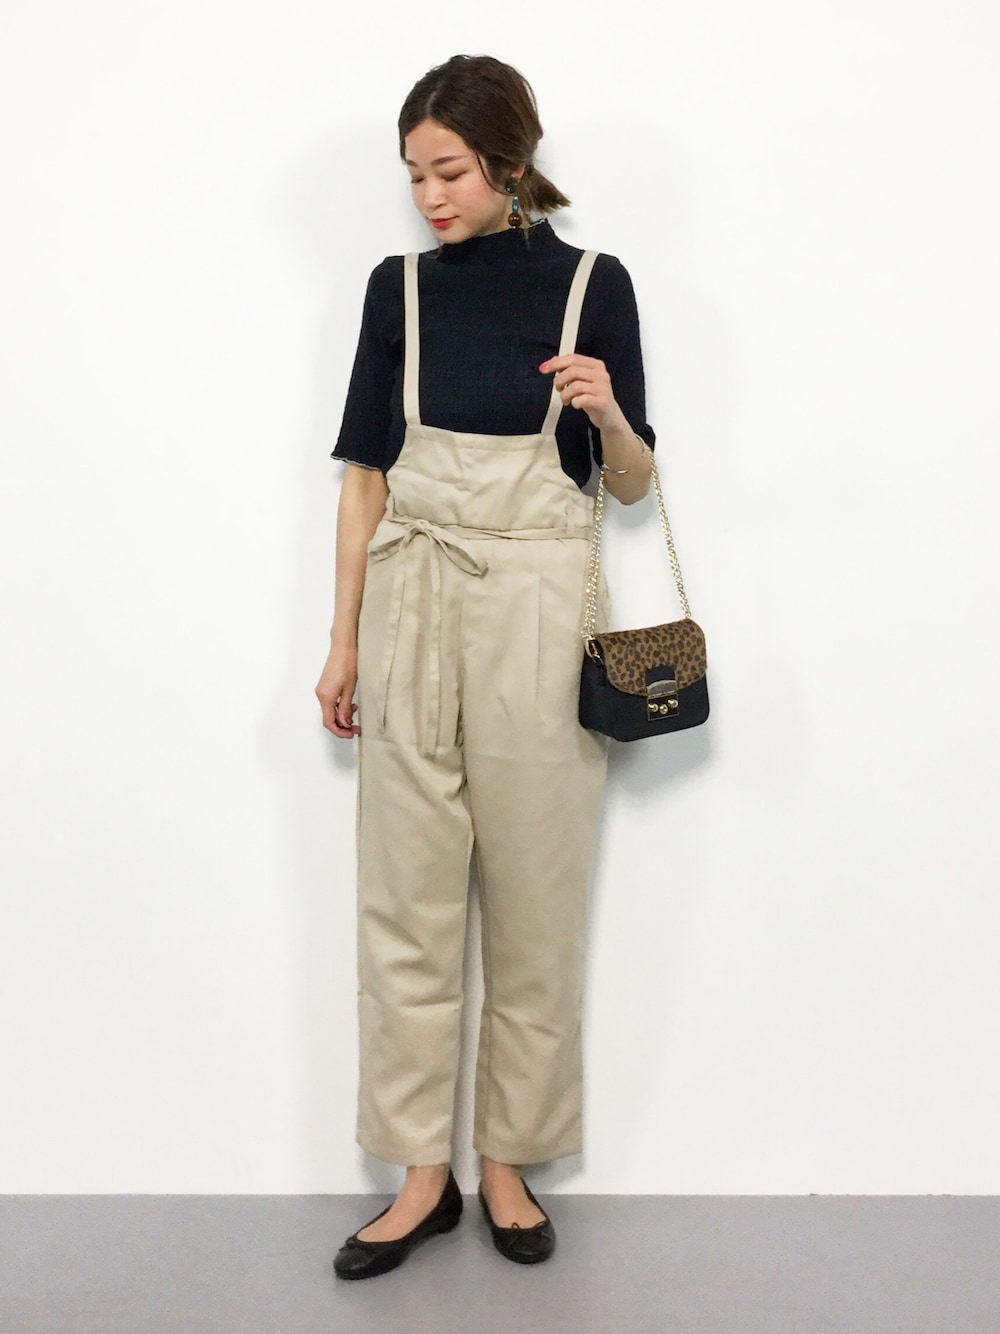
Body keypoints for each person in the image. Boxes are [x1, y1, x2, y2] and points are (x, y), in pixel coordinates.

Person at [315, 54, 655, 1280]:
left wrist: (606, 412)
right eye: (413, 174)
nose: (428, 198)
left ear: (510, 163)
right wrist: (343, 636)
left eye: (449, 172)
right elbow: (365, 474)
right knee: (402, 899)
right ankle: (423, 1175)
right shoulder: (396, 288)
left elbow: (632, 483)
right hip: (409, 600)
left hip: (539, 613)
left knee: (535, 899)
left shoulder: (593, 285)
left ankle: (507, 1162)